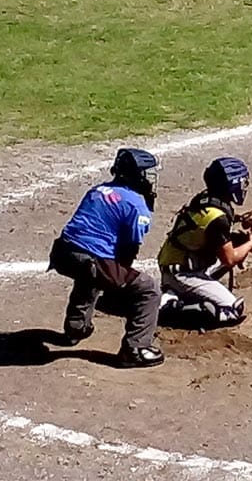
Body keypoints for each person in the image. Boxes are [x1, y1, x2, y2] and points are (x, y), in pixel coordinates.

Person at [48, 148, 165, 368]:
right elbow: (128, 250)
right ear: (137, 175)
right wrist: (119, 284)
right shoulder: (136, 205)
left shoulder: (98, 190)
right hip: (91, 258)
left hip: (62, 252)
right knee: (148, 289)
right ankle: (135, 349)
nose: (151, 179)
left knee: (92, 272)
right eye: (148, 173)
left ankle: (76, 327)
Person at [157, 157, 252, 327]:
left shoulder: (207, 199)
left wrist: (241, 220)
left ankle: (174, 293)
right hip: (182, 273)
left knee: (236, 242)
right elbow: (230, 259)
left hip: (177, 263)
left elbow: (210, 231)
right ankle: (173, 307)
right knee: (232, 310)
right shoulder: (217, 219)